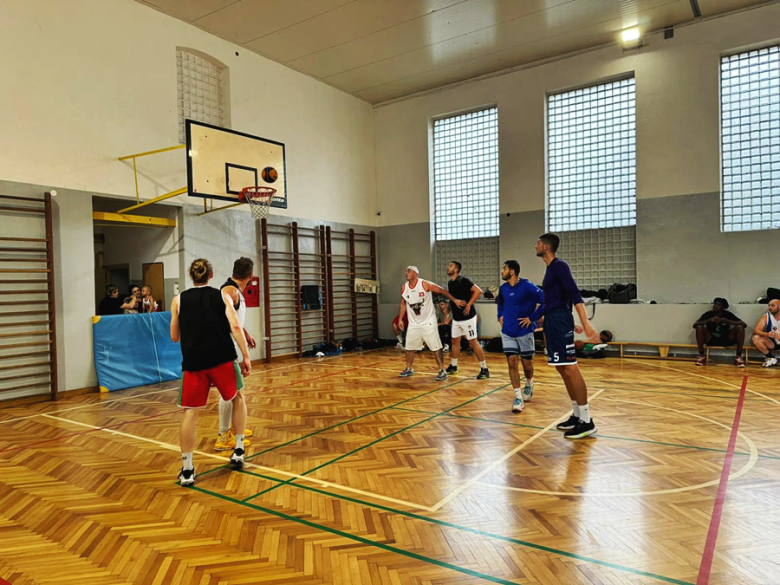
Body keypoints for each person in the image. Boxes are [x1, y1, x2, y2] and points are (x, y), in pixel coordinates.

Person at [170, 258, 252, 486]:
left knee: (190, 412)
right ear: (211, 275)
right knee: (237, 398)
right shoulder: (222, 296)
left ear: (191, 276)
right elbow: (235, 326)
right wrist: (245, 356)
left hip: (194, 362)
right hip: (222, 358)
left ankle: (187, 470)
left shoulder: (178, 300)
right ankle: (238, 449)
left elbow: (174, 336)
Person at [536, 233, 600, 439]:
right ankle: (577, 414)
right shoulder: (550, 269)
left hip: (559, 320)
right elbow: (560, 299)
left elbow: (575, 294)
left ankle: (587, 421)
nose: (535, 246)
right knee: (563, 369)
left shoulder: (559, 266)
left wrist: (586, 323)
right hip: (555, 320)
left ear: (546, 247)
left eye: (538, 243)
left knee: (571, 368)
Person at [215, 257, 257, 451]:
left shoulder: (235, 290)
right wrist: (244, 352)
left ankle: (233, 427)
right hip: (223, 347)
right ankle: (223, 436)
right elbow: (226, 321)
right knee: (228, 392)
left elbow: (235, 318)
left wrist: (245, 334)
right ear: (250, 275)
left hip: (229, 345)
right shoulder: (229, 291)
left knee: (236, 391)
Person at [397, 266, 465, 381]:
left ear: (415, 273)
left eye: (409, 271)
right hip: (414, 322)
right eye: (406, 271)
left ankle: (442, 370)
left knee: (435, 347)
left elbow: (442, 291)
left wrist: (455, 300)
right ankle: (409, 368)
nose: (406, 273)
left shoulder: (425, 284)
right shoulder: (404, 287)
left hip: (428, 321)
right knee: (409, 347)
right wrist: (400, 319)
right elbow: (403, 303)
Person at [497, 260, 544, 413]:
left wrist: (533, 318)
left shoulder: (528, 287)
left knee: (527, 365)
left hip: (524, 331)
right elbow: (501, 303)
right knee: (511, 362)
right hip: (507, 332)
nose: (501, 271)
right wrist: (500, 315)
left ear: (512, 271)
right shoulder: (503, 289)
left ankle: (529, 383)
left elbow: (544, 301)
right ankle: (517, 397)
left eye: (504, 268)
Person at [444, 261, 490, 379]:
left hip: (468, 317)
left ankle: (484, 368)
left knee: (473, 342)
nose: (447, 267)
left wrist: (469, 304)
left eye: (450, 266)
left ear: (456, 270)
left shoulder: (464, 280)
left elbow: (478, 291)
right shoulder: (450, 283)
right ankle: (453, 366)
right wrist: (448, 313)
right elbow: (452, 300)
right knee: (455, 341)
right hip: (457, 318)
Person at [692, 298, 747, 367]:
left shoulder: (727, 314)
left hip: (725, 338)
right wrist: (708, 321)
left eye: (719, 305)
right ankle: (702, 356)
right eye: (715, 304)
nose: (716, 306)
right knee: (699, 327)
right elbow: (694, 325)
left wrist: (727, 321)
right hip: (711, 338)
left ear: (723, 307)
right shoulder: (708, 314)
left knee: (740, 327)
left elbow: (744, 324)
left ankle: (738, 357)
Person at [752, 298, 780, 368]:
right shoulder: (766, 316)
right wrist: (767, 334)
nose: (770, 307)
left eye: (772, 305)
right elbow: (756, 330)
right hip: (773, 341)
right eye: (769, 305)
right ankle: (771, 358)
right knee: (756, 338)